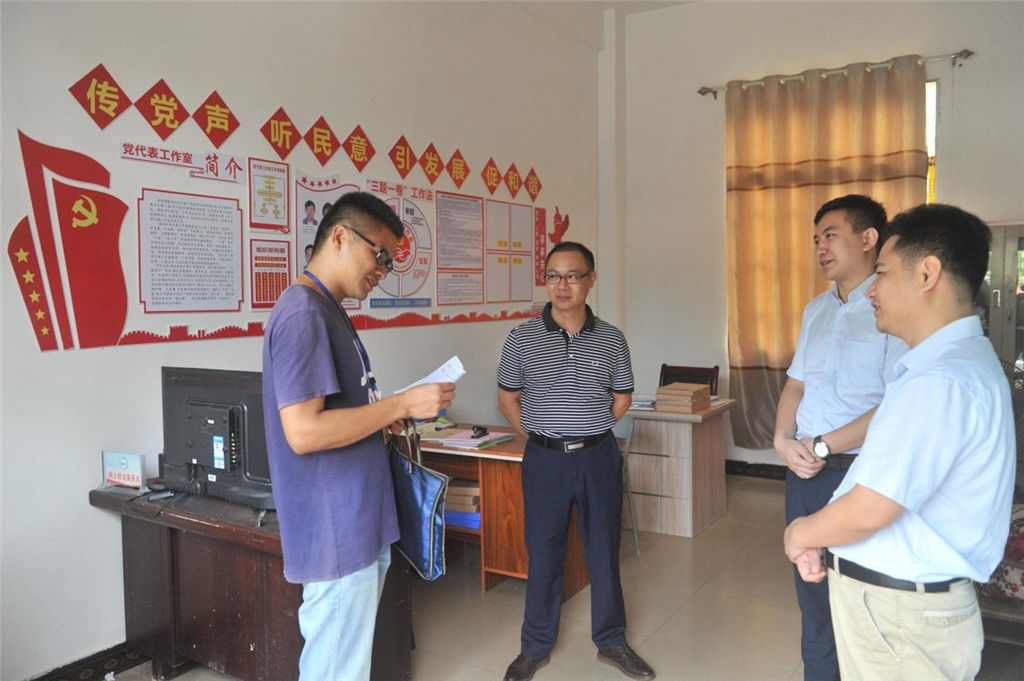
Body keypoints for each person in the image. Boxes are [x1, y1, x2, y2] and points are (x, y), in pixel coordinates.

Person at [784, 203, 1015, 680]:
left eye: (884, 273)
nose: (874, 289)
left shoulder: (940, 379)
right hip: (899, 609)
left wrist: (800, 533)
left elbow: (873, 507)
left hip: (903, 617)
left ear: (928, 273)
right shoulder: (946, 364)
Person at [262, 191, 455, 681]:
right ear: (340, 237)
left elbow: (335, 413)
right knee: (336, 669)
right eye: (381, 255)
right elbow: (304, 432)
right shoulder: (304, 312)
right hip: (337, 528)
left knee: (345, 663)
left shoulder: (327, 308)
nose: (384, 271)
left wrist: (381, 417)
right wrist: (401, 405)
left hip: (355, 517)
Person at [497, 241, 655, 681]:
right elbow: (507, 397)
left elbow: (621, 397)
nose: (561, 285)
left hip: (598, 456)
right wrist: (537, 433)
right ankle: (534, 647)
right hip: (545, 461)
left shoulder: (611, 338)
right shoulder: (522, 338)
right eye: (553, 276)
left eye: (572, 276)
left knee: (603, 549)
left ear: (591, 279)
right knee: (544, 552)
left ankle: (612, 640)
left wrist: (590, 428)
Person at [773, 194, 907, 681]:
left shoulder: (893, 309)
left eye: (830, 235)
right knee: (813, 599)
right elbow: (796, 385)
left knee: (864, 602)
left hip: (861, 475)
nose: (820, 248)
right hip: (805, 474)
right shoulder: (817, 309)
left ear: (869, 238)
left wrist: (824, 444)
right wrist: (781, 439)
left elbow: (896, 404)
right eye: (816, 240)